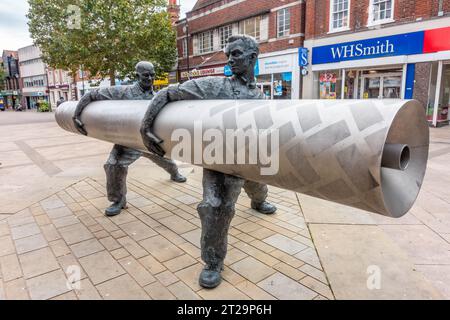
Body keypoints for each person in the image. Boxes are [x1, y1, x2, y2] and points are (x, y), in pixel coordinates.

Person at [141, 35, 277, 288]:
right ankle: (213, 261)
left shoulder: (260, 96)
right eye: (228, 55)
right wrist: (146, 125)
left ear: (252, 58)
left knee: (256, 187)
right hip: (220, 159)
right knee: (214, 206)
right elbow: (169, 92)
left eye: (235, 54)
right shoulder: (218, 86)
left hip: (248, 157)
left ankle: (259, 201)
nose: (230, 60)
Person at [72, 61, 187, 217]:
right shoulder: (124, 92)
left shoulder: (157, 97)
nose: (150, 78)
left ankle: (174, 173)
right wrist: (76, 115)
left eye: (152, 75)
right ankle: (118, 200)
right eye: (146, 75)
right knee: (113, 164)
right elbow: (92, 95)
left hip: (149, 141)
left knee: (166, 160)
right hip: (129, 142)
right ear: (137, 75)